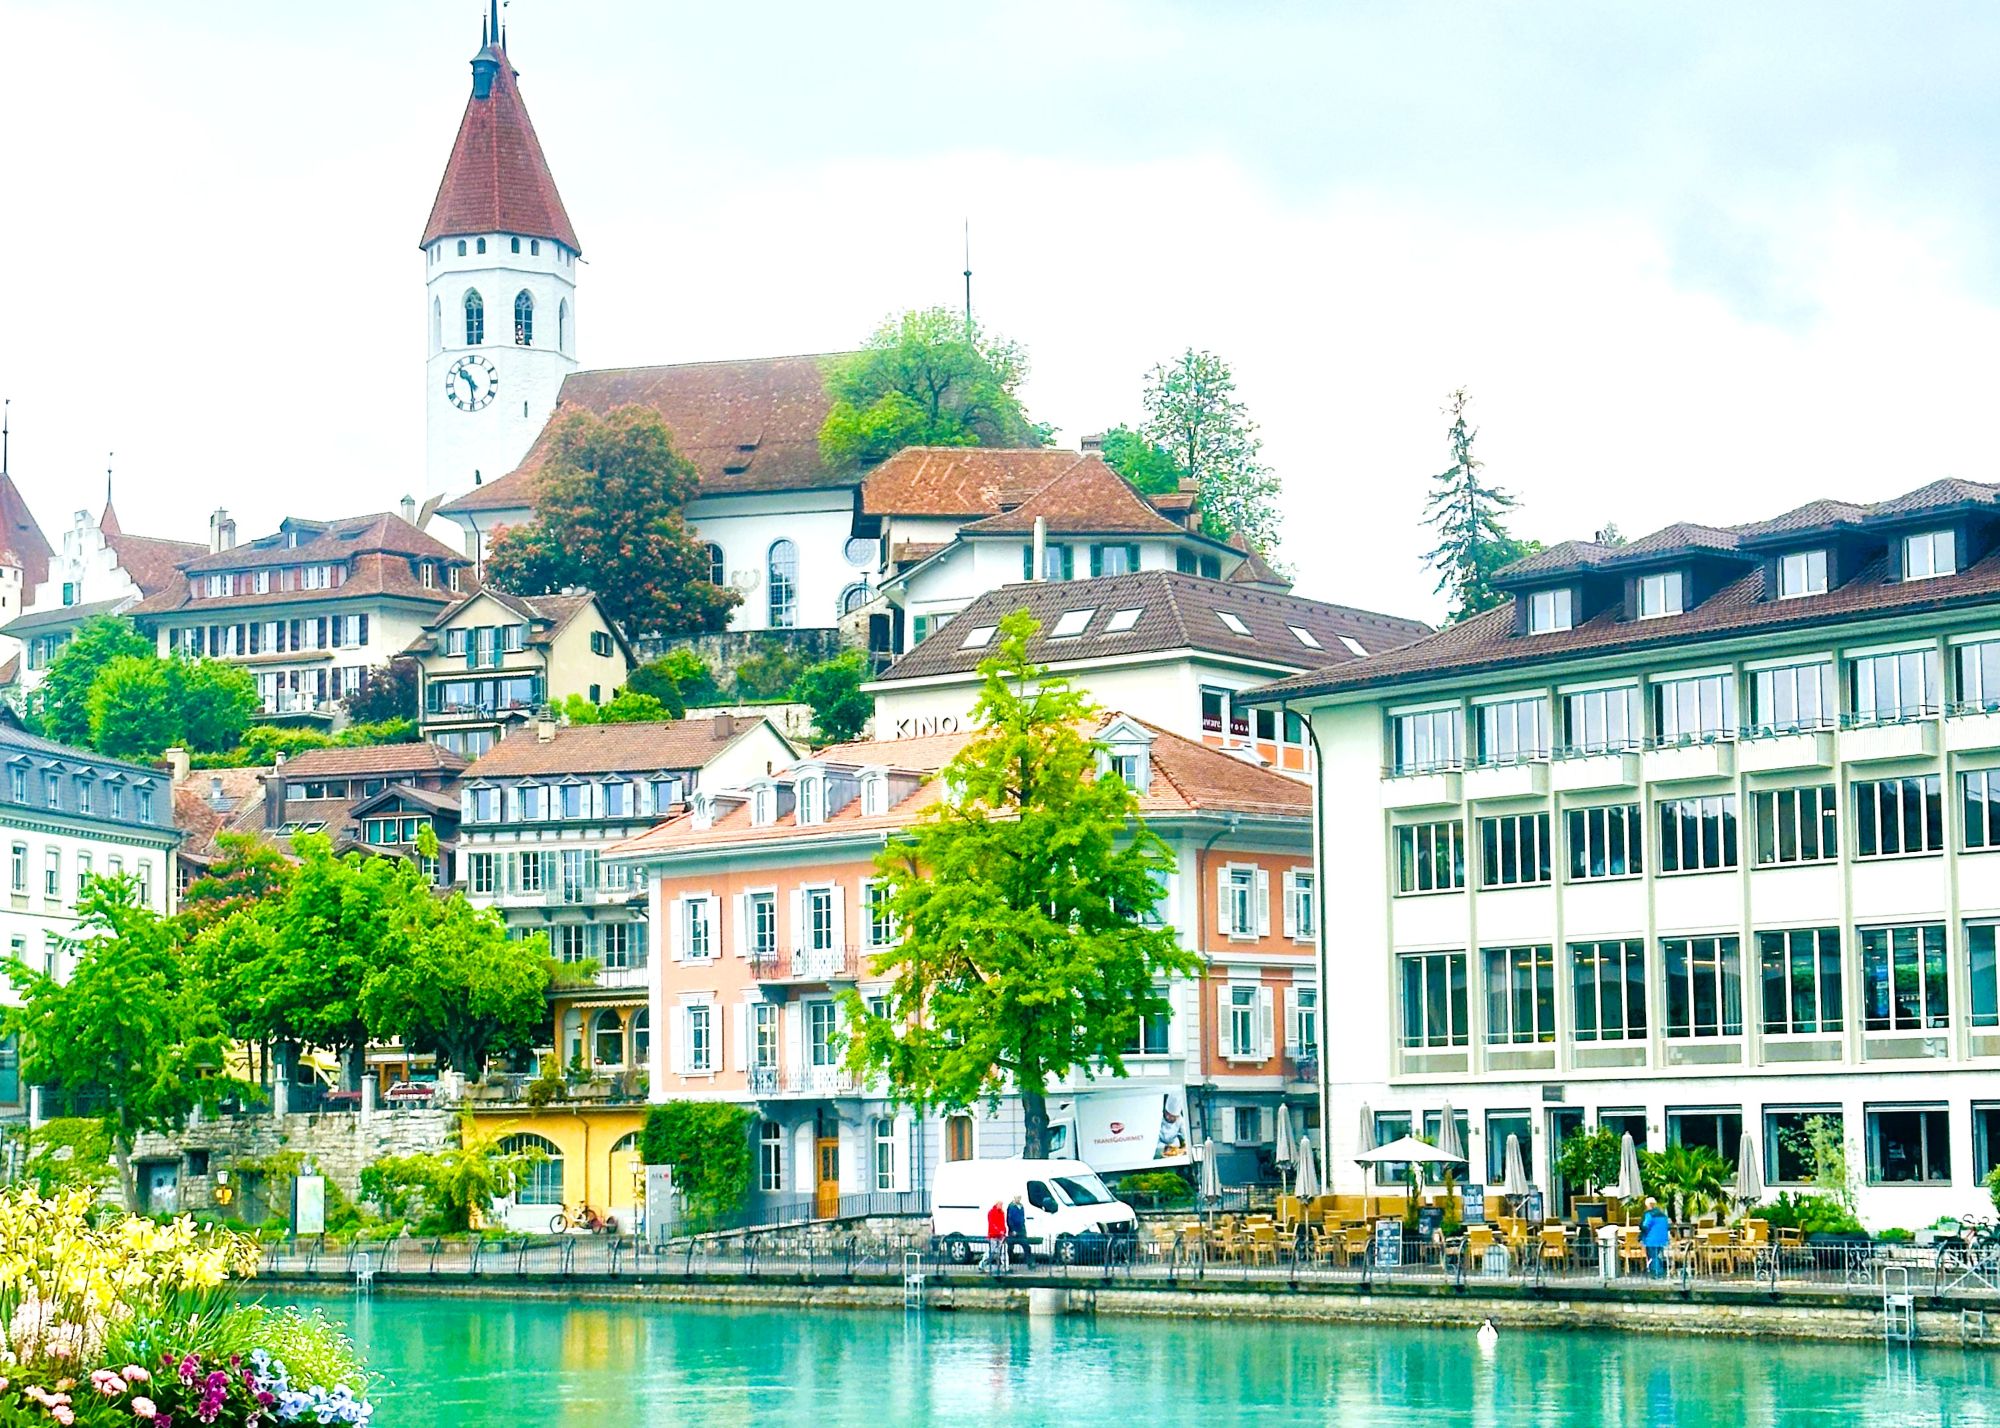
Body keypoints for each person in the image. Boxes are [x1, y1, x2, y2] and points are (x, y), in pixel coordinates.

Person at [1640, 1196, 1671, 1278]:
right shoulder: (1663, 1215)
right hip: (1662, 1239)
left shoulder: (1649, 1214)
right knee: (1657, 1256)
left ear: (1648, 1205)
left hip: (1651, 1239)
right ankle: (1660, 1272)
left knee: (1653, 1256)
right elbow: (1667, 1227)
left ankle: (1657, 1273)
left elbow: (1645, 1226)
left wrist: (1641, 1234)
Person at [1005, 1196, 1030, 1268]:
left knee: (1026, 1246)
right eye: (1017, 1198)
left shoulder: (1021, 1206)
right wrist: (1012, 1230)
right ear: (1014, 1198)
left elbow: (1022, 1218)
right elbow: (1009, 1219)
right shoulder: (1011, 1207)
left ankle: (1030, 1263)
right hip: (1013, 1231)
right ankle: (1008, 1263)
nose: (1019, 1199)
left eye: (1020, 1198)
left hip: (1021, 1230)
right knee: (1010, 1247)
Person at [985, 1201, 1008, 1274]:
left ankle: (1004, 1267)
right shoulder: (991, 1212)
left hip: (1000, 1235)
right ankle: (982, 1264)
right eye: (1000, 1204)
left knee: (1001, 1252)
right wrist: (1000, 1231)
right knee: (992, 1251)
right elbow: (992, 1224)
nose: (1001, 1206)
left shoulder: (1002, 1213)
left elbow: (1003, 1223)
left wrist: (1004, 1231)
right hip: (993, 1235)